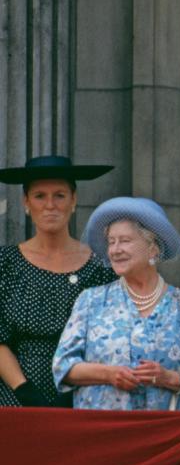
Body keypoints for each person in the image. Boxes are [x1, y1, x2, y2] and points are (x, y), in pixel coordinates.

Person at [52, 197, 180, 410]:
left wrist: (169, 378)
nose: (115, 249)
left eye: (125, 240)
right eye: (111, 242)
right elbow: (63, 367)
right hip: (103, 433)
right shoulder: (91, 301)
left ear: (153, 248)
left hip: (165, 434)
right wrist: (109, 374)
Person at [0, 156, 115, 407]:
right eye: (40, 196)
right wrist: (24, 390)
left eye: (60, 195)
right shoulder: (4, 263)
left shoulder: (102, 267)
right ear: (26, 202)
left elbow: (113, 339)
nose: (50, 205)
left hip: (85, 397)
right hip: (14, 398)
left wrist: (72, 394)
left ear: (73, 201)